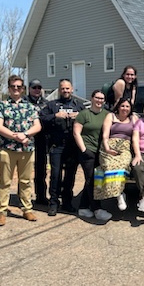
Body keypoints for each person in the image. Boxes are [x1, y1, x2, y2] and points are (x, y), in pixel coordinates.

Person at [0, 75, 42, 226]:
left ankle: (27, 209)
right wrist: (16, 136)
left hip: (27, 148)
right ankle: (2, 211)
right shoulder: (2, 106)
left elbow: (37, 126)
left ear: (23, 89)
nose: (16, 89)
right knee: (5, 182)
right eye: (13, 86)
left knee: (25, 181)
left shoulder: (30, 107)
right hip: (8, 149)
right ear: (9, 88)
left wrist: (25, 135)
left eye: (19, 87)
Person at [40, 79, 85, 216]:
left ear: (72, 89)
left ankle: (67, 202)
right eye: (63, 88)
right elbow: (41, 118)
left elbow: (88, 119)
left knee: (70, 175)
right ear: (59, 90)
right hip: (56, 145)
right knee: (55, 175)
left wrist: (79, 116)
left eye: (67, 88)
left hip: (72, 145)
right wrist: (55, 115)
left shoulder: (79, 105)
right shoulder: (52, 105)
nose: (65, 91)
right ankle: (53, 203)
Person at [73, 90, 112, 222]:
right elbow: (76, 133)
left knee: (95, 179)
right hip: (88, 151)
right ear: (92, 98)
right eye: (97, 98)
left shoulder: (107, 115)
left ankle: (83, 207)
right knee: (91, 179)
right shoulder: (84, 114)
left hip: (101, 152)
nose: (99, 100)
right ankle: (97, 209)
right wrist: (84, 150)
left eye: (102, 99)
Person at [96, 97, 138, 210]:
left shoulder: (133, 118)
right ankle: (119, 195)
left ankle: (119, 192)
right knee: (109, 166)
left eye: (127, 106)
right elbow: (105, 135)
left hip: (125, 148)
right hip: (109, 146)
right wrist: (107, 148)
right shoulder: (111, 116)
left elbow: (137, 136)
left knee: (122, 166)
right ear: (118, 107)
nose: (125, 108)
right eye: (122, 106)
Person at [26, 78, 49, 205]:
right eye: (34, 87)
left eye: (39, 88)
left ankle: (41, 196)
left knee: (41, 170)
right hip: (26, 139)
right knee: (25, 170)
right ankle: (24, 197)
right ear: (29, 89)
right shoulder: (24, 102)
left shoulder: (46, 103)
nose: (36, 90)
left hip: (42, 139)